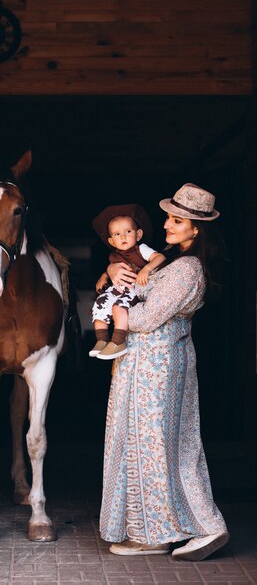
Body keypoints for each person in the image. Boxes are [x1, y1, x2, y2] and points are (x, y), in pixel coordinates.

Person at [100, 183, 229, 561]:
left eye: (176, 221)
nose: (167, 225)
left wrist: (114, 314)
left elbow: (147, 317)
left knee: (152, 446)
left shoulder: (186, 269)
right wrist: (113, 270)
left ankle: (158, 533)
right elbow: (136, 289)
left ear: (196, 229)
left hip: (155, 369)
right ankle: (197, 527)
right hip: (152, 364)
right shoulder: (171, 262)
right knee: (171, 447)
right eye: (170, 218)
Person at [90, 204, 165, 360]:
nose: (123, 237)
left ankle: (118, 341)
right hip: (117, 288)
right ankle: (102, 339)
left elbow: (160, 257)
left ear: (138, 235)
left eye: (128, 232)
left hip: (134, 288)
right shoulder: (114, 255)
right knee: (100, 303)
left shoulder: (141, 249)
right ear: (111, 241)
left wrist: (146, 269)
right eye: (117, 234)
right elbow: (111, 270)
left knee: (118, 307)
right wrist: (104, 276)